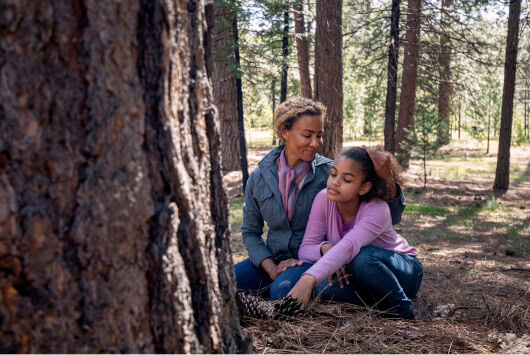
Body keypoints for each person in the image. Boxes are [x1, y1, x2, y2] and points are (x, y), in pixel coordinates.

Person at [234, 96, 406, 301]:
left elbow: (388, 216)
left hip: (312, 259)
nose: (316, 143)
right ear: (285, 132)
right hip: (271, 258)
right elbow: (250, 232)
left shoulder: (332, 174)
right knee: (222, 284)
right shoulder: (260, 176)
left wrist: (388, 179)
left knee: (281, 293)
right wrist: (270, 266)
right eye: (307, 135)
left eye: (319, 135)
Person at [280, 147, 423, 319]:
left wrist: (308, 278)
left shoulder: (377, 209)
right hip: (359, 276)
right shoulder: (323, 198)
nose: (335, 182)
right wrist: (325, 248)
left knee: (361, 258)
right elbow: (305, 249)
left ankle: (403, 311)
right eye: (333, 174)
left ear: (364, 188)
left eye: (347, 180)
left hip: (402, 273)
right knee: (321, 287)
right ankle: (379, 303)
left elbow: (349, 247)